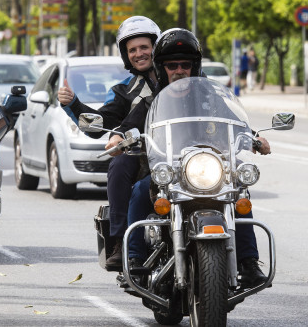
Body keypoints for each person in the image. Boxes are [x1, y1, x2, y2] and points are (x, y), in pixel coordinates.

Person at [116, 28, 271, 289]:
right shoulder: (151, 103)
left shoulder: (212, 98)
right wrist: (119, 138)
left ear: (194, 66)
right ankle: (134, 260)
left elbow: (236, 122)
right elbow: (127, 128)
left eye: (185, 64)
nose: (179, 70)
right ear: (162, 67)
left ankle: (249, 262)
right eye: (172, 65)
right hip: (171, 172)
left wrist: (255, 138)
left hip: (207, 167)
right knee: (140, 191)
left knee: (239, 193)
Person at [57, 16, 161, 271]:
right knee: (119, 164)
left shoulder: (179, 76)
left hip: (185, 155)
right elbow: (100, 123)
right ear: (126, 55)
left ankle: (244, 259)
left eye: (144, 47)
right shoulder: (125, 90)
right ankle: (119, 241)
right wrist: (73, 104)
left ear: (156, 47)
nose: (139, 54)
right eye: (132, 50)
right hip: (143, 156)